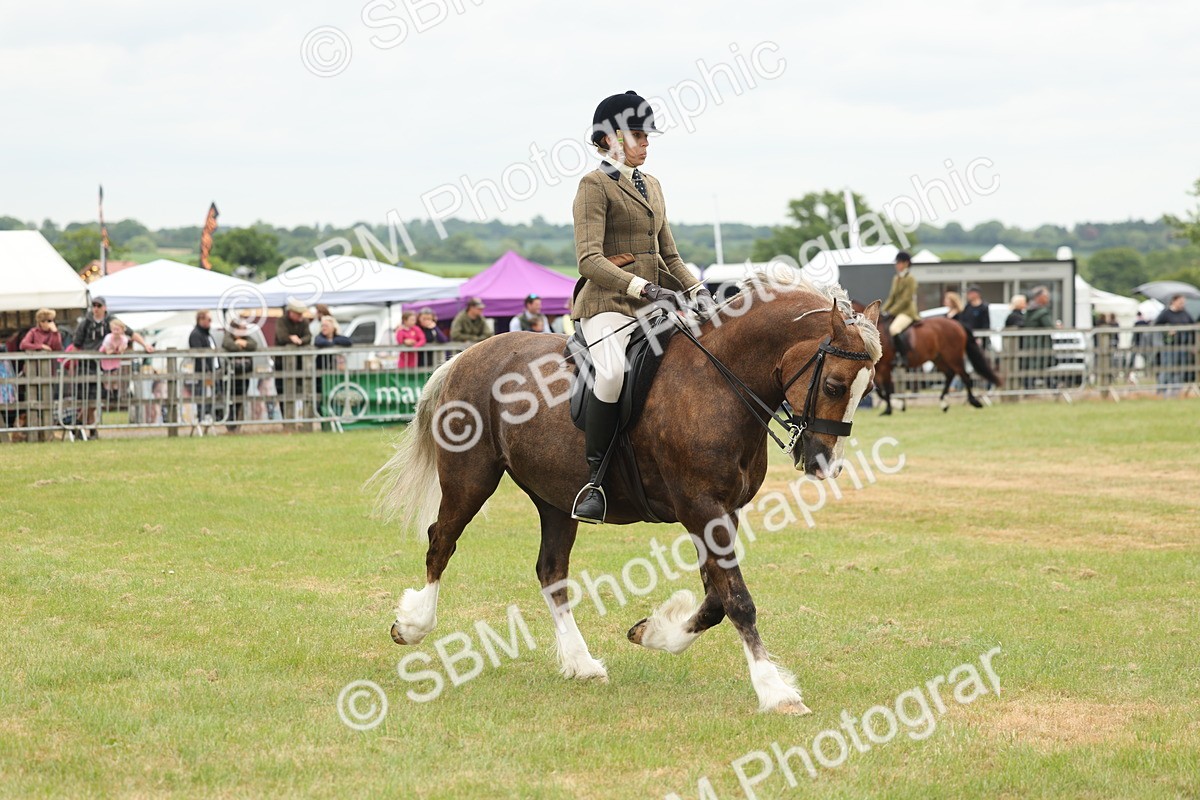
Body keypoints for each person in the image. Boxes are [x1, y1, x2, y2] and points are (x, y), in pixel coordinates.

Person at [569, 89, 714, 524]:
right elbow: (589, 260)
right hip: (608, 306)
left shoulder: (652, 186)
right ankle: (595, 481)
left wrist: (700, 292)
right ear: (611, 138)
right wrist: (644, 289)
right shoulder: (593, 187)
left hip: (655, 309)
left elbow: (670, 257)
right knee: (611, 374)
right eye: (638, 135)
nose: (646, 143)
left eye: (647, 136)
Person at [73, 297, 154, 438]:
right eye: (94, 305)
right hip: (88, 364)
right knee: (88, 399)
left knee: (95, 399)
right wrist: (71, 363)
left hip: (105, 366)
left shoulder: (112, 321)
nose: (96, 308)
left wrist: (145, 344)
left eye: (99, 305)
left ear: (104, 307)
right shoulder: (85, 322)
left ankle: (81, 425)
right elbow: (76, 344)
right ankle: (89, 429)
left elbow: (130, 333)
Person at [274, 299, 312, 422]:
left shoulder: (304, 322)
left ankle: (304, 420)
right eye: (298, 313)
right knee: (283, 392)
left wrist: (300, 341)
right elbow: (281, 336)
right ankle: (287, 420)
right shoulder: (281, 321)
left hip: (300, 364)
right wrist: (291, 339)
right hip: (281, 364)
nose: (301, 316)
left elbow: (308, 336)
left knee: (303, 390)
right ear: (291, 312)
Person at [221, 316, 258, 431]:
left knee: (240, 401)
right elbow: (229, 345)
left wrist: (243, 343)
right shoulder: (228, 337)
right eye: (242, 328)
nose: (244, 331)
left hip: (244, 374)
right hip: (230, 375)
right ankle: (230, 426)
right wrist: (239, 345)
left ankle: (237, 425)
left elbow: (254, 344)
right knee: (230, 400)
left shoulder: (247, 338)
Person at [882, 251, 918, 364]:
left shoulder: (910, 279)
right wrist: (882, 310)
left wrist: (891, 311)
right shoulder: (896, 278)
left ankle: (903, 356)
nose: (896, 265)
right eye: (896, 263)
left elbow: (905, 300)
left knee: (894, 329)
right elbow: (892, 297)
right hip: (896, 312)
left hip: (907, 312)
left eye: (899, 263)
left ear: (906, 263)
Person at [1154, 294, 1196, 387]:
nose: (1182, 304)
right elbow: (1156, 325)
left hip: (1184, 346)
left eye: (1183, 303)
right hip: (1169, 346)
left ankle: (1177, 391)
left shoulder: (1185, 313)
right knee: (1167, 368)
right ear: (1174, 301)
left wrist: (1193, 344)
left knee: (1181, 369)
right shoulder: (1166, 313)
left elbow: (1193, 327)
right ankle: (1162, 390)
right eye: (1180, 302)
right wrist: (1167, 329)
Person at [188, 310, 219, 424]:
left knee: (212, 394)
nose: (210, 322)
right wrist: (206, 369)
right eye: (208, 319)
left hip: (212, 370)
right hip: (203, 371)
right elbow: (199, 354)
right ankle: (202, 417)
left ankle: (209, 415)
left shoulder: (207, 334)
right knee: (202, 394)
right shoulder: (196, 334)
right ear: (201, 319)